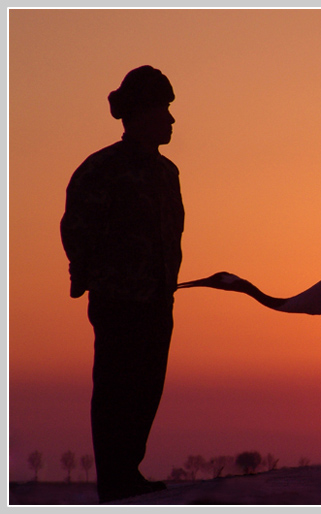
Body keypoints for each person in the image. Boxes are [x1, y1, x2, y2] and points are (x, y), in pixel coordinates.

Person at [60, 65, 184, 503]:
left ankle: (128, 472)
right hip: (119, 302)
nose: (171, 120)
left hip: (156, 300)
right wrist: (94, 277)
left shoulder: (167, 174)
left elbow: (171, 233)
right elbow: (76, 228)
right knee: (116, 388)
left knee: (148, 386)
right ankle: (115, 480)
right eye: (164, 110)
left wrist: (164, 281)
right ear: (140, 114)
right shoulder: (102, 170)